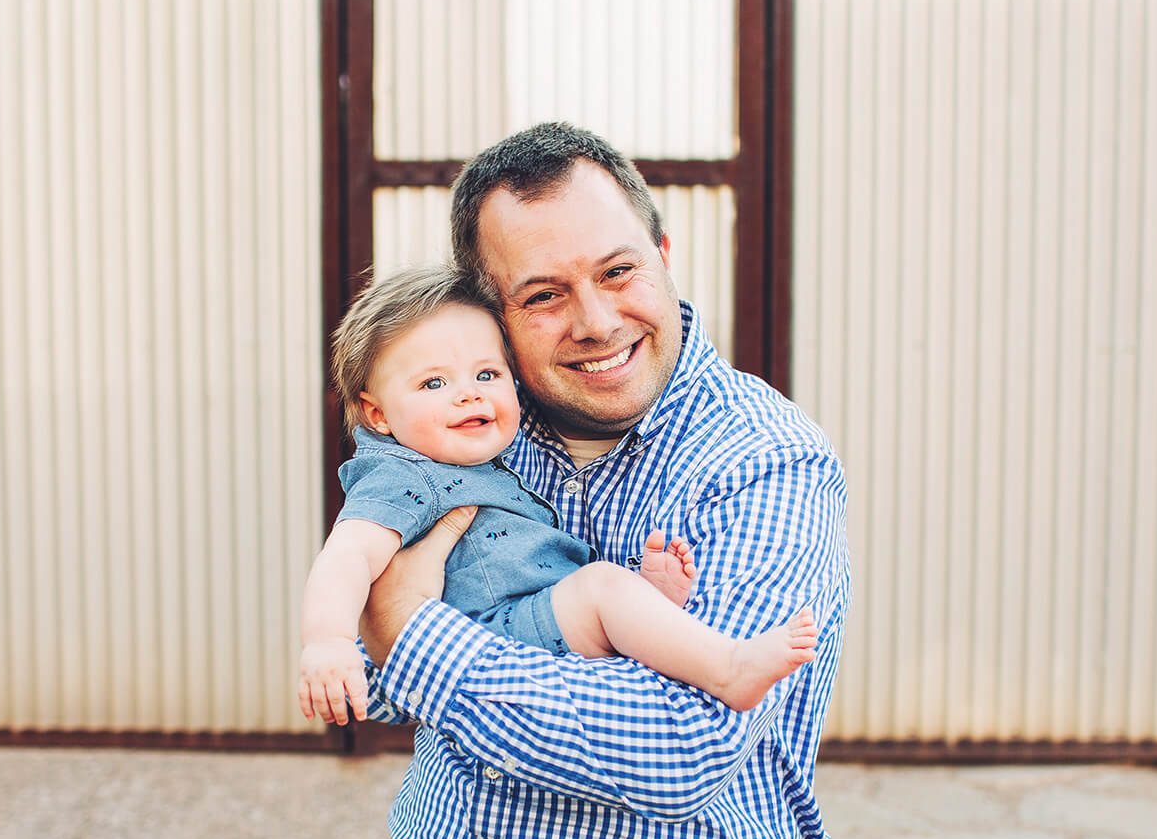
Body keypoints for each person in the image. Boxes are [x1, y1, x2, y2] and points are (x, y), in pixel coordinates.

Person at [343, 122, 851, 839]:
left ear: (664, 255)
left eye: (617, 271)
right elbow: (353, 634)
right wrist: (395, 633)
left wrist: (423, 637)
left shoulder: (763, 462)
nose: (594, 320)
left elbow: (677, 747)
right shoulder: (470, 418)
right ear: (491, 311)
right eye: (541, 295)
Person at [299, 264, 818, 726]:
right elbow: (345, 556)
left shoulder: (483, 457)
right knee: (600, 588)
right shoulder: (400, 474)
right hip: (495, 628)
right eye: (433, 383)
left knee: (607, 589)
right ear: (378, 414)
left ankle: (646, 618)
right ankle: (727, 669)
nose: (469, 393)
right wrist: (329, 641)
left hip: (516, 623)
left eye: (487, 374)